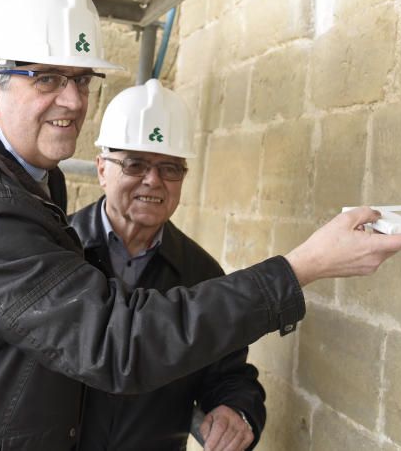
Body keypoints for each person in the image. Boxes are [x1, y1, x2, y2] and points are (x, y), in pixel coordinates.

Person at [0, 0, 401, 451]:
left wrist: (235, 408)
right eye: (45, 78)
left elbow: (223, 372)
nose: (72, 100)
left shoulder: (29, 187)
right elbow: (115, 343)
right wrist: (302, 267)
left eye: (81, 80)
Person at [71, 79, 263, 451]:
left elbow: (228, 374)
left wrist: (235, 409)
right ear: (101, 170)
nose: (153, 180)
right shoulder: (59, 251)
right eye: (135, 163)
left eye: (170, 168)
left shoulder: (201, 274)